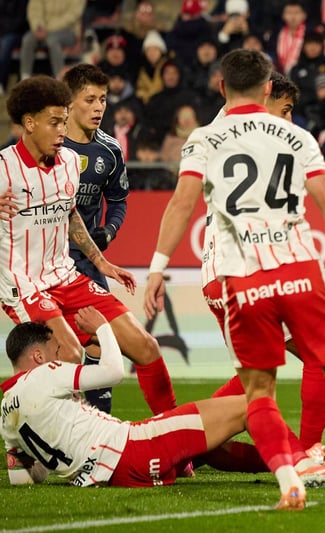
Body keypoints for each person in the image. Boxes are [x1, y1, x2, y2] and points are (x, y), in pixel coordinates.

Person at [142, 49, 325, 510]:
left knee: (258, 393)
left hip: (238, 279)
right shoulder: (296, 136)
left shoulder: (204, 138)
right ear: (269, 88)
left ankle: (289, 481)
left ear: (222, 87)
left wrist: (157, 267)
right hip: (297, 269)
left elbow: (180, 204)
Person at [0, 76, 178, 423]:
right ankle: (27, 433)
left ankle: (175, 431)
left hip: (67, 276)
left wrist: (100, 261)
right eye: (54, 122)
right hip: (24, 285)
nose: (62, 130)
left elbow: (69, 214)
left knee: (146, 347)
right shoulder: (4, 168)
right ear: (29, 123)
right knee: (69, 355)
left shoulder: (68, 161)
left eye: (64, 121)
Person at [2, 308, 267, 489]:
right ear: (38, 356)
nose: (61, 357)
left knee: (207, 441)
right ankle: (292, 465)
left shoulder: (6, 413)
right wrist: (103, 328)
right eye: (56, 351)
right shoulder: (45, 374)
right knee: (247, 406)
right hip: (135, 447)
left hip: (117, 476)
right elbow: (114, 372)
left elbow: (22, 478)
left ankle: (280, 461)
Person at [62, 64, 130, 415]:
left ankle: (99, 422)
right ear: (69, 102)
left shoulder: (110, 150)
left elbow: (118, 201)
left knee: (102, 339)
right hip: (46, 264)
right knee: (57, 348)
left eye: (103, 99)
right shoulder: (49, 145)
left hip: (88, 263)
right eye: (90, 99)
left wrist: (109, 231)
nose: (99, 107)